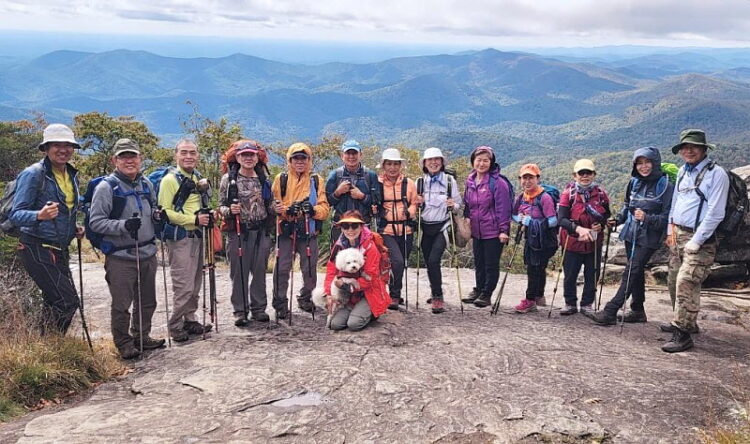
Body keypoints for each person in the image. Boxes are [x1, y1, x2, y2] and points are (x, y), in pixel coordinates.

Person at [88, 139, 165, 359]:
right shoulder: (106, 187)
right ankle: (123, 343)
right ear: (115, 160)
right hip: (120, 255)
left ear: (140, 159)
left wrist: (158, 216)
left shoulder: (146, 184)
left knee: (148, 300)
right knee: (122, 303)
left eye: (133, 156)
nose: (129, 160)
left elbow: (151, 210)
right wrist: (123, 226)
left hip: (148, 252)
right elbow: (95, 222)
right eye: (123, 156)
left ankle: (142, 336)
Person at [10, 123, 84, 335]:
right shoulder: (33, 174)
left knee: (53, 301)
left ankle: (46, 348)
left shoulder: (70, 174)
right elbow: (16, 214)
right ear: (46, 148)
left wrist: (73, 227)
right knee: (67, 301)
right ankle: (52, 343)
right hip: (36, 246)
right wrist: (38, 215)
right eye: (56, 145)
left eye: (68, 145)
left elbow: (66, 209)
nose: (63, 149)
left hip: (59, 247)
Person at [662, 129, 729, 353]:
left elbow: (716, 212)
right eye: (685, 147)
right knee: (673, 280)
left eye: (694, 147)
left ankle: (683, 334)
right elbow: (676, 202)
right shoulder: (683, 171)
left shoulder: (716, 174)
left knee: (687, 281)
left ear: (703, 149)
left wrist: (698, 240)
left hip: (701, 238)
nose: (688, 151)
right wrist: (670, 229)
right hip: (678, 234)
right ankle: (684, 320)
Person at [591, 147, 673, 326]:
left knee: (631, 270)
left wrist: (647, 217)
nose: (643, 167)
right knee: (636, 271)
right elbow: (628, 205)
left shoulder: (665, 185)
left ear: (655, 162)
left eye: (647, 162)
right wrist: (617, 219)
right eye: (639, 163)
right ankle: (637, 310)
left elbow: (668, 217)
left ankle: (611, 311)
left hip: (650, 237)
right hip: (631, 232)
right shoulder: (634, 182)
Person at [158, 139, 213, 342]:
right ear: (176, 155)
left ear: (197, 155)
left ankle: (190, 319)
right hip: (180, 237)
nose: (188, 156)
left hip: (198, 236)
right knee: (183, 285)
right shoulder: (170, 180)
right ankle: (175, 325)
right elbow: (165, 211)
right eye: (184, 152)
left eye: (192, 152)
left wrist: (208, 214)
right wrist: (193, 219)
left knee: (196, 283)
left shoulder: (196, 177)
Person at [219, 140, 275, 326]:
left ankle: (258, 309)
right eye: (244, 155)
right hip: (238, 232)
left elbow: (270, 203)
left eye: (252, 155)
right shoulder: (228, 180)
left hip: (260, 232)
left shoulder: (263, 179)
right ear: (237, 157)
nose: (249, 158)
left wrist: (278, 208)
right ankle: (240, 311)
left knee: (259, 271)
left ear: (257, 157)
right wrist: (229, 211)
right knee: (239, 273)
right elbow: (220, 206)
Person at [271, 143, 330, 318]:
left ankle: (306, 298)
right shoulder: (281, 180)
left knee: (310, 269)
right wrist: (286, 209)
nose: (299, 161)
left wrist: (312, 211)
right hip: (286, 231)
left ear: (309, 160)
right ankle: (280, 303)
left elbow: (324, 209)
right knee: (282, 269)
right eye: (295, 158)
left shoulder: (316, 180)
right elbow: (274, 205)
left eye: (303, 158)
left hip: (308, 231)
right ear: (289, 160)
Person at [558, 159, 611, 317]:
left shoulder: (601, 194)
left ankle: (587, 303)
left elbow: (607, 214)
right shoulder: (569, 194)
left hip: (594, 241)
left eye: (588, 173)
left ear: (594, 175)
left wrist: (601, 224)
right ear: (575, 175)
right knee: (570, 274)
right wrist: (578, 229)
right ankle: (570, 303)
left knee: (592, 274)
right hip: (572, 241)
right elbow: (561, 219)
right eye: (581, 173)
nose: (585, 176)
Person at [414, 147, 463, 313]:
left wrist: (453, 205)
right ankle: (435, 290)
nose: (433, 162)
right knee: (429, 262)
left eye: (437, 159)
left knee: (434, 260)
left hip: (443, 225)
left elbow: (458, 205)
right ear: (425, 164)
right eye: (430, 160)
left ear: (442, 162)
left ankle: (438, 296)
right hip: (425, 226)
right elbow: (414, 207)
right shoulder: (419, 182)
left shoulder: (450, 181)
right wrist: (417, 203)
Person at [461, 146, 512, 308]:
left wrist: (504, 230)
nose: (481, 163)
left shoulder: (498, 183)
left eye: (485, 160)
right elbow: (468, 204)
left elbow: (504, 208)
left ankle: (487, 293)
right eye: (478, 160)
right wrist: (467, 219)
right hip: (477, 230)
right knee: (479, 262)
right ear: (473, 162)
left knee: (490, 263)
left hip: (493, 231)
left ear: (491, 162)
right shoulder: (470, 181)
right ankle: (479, 289)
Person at [324, 210, 389, 330]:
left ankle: (371, 312)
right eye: (345, 226)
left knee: (354, 324)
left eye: (354, 226)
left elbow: (371, 277)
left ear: (361, 226)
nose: (350, 230)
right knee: (335, 324)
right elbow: (331, 271)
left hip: (368, 292)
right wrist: (329, 294)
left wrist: (349, 287)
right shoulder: (338, 245)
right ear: (341, 228)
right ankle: (356, 309)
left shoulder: (370, 247)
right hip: (348, 295)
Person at [511, 164, 559, 313]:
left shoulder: (544, 198)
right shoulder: (522, 197)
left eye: (531, 177)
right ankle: (539, 296)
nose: (527, 181)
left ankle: (530, 300)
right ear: (520, 179)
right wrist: (519, 219)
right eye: (524, 178)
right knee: (538, 267)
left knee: (534, 268)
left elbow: (553, 221)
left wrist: (531, 222)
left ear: (537, 178)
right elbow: (512, 214)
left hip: (544, 240)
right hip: (531, 238)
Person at [376, 148, 418, 310]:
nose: (392, 167)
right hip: (386, 230)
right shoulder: (378, 184)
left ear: (400, 165)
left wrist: (412, 211)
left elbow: (414, 202)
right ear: (384, 166)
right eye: (389, 164)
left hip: (406, 229)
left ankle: (395, 293)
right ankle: (393, 295)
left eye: (395, 164)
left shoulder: (409, 184)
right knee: (397, 261)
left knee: (402, 263)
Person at [325, 139, 381, 241]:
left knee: (363, 256)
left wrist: (362, 196)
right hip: (341, 226)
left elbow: (378, 203)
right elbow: (326, 202)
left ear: (360, 155)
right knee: (341, 256)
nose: (351, 157)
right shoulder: (335, 175)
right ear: (342, 156)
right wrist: (338, 192)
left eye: (354, 153)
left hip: (363, 225)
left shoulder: (370, 175)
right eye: (348, 153)